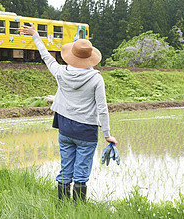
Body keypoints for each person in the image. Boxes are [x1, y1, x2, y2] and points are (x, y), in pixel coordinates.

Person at [18, 23, 117, 202]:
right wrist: (107, 135)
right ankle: (78, 208)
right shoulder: (96, 79)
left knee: (66, 169)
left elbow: (46, 57)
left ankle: (62, 205)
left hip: (65, 127)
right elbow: (102, 108)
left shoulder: (61, 72)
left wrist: (35, 35)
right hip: (86, 131)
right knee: (81, 173)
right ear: (90, 58)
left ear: (71, 55)